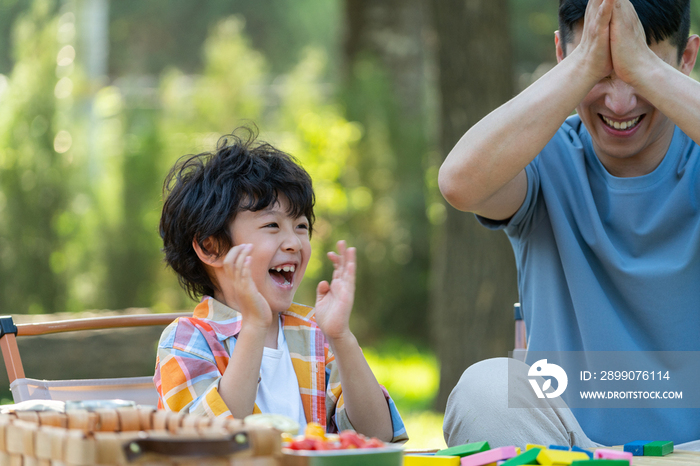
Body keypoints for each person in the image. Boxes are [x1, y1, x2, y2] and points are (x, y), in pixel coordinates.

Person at [439, 0, 700, 449]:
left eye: (641, 70)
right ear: (563, 55)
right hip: (570, 449)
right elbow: (459, 183)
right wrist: (584, 66)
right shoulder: (542, 155)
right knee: (485, 389)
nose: (621, 101)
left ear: (687, 59)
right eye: (600, 70)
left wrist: (643, 69)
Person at [153, 128, 407, 442]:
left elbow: (378, 438)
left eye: (301, 226)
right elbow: (209, 445)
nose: (293, 243)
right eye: (272, 225)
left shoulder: (314, 333)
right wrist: (255, 325)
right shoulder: (187, 340)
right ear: (211, 247)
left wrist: (341, 337)